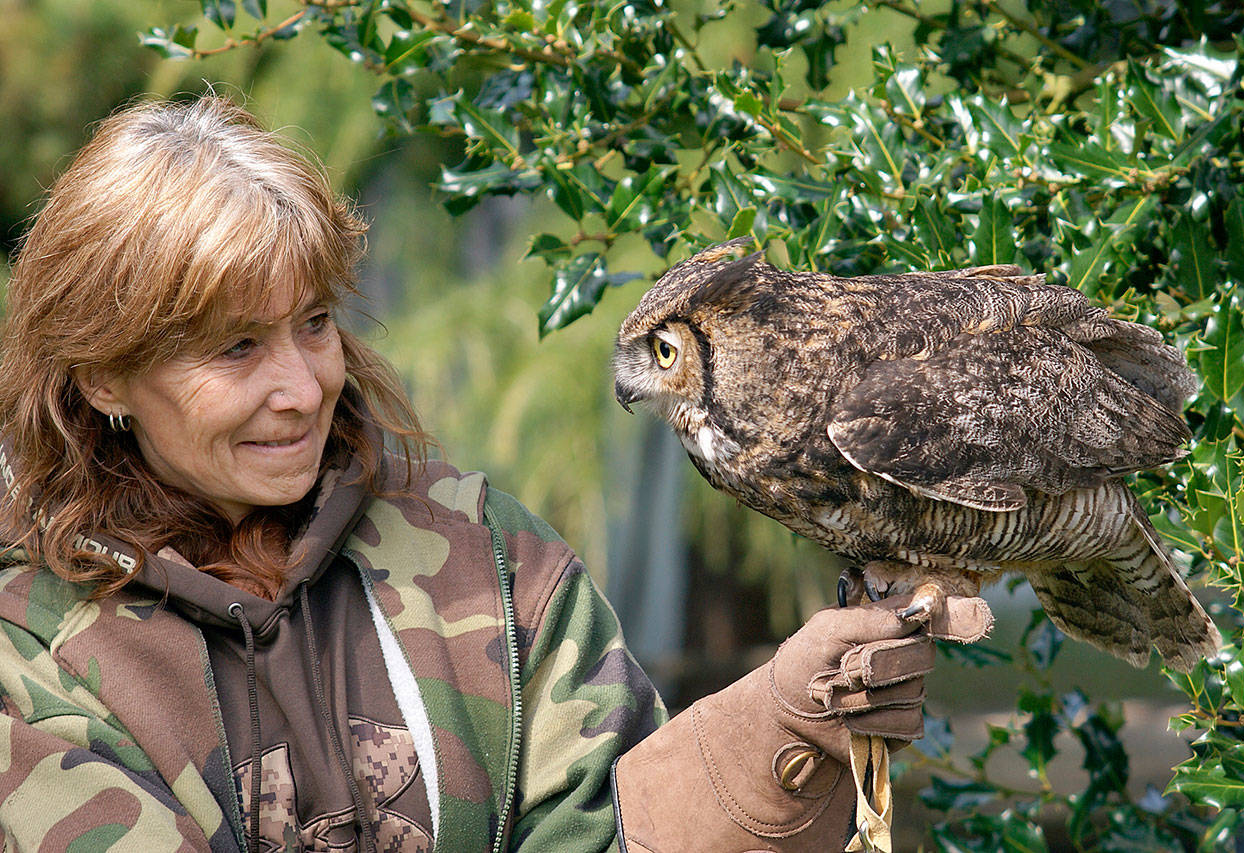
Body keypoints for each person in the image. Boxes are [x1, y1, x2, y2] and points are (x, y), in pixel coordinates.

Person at [0, 95, 989, 852]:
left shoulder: (487, 558)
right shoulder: (25, 648)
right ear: (106, 374)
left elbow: (612, 826)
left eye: (313, 324)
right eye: (234, 349)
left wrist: (774, 732)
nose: (301, 387)